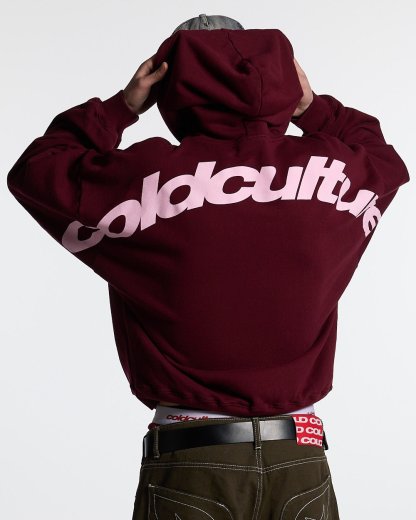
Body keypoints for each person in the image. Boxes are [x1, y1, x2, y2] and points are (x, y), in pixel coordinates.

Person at [6, 12, 410, 520]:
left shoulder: (144, 178)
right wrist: (311, 107)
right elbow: (382, 156)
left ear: (170, 87)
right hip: (299, 456)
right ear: (281, 79)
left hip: (192, 459)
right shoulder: (335, 171)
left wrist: (120, 108)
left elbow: (39, 168)